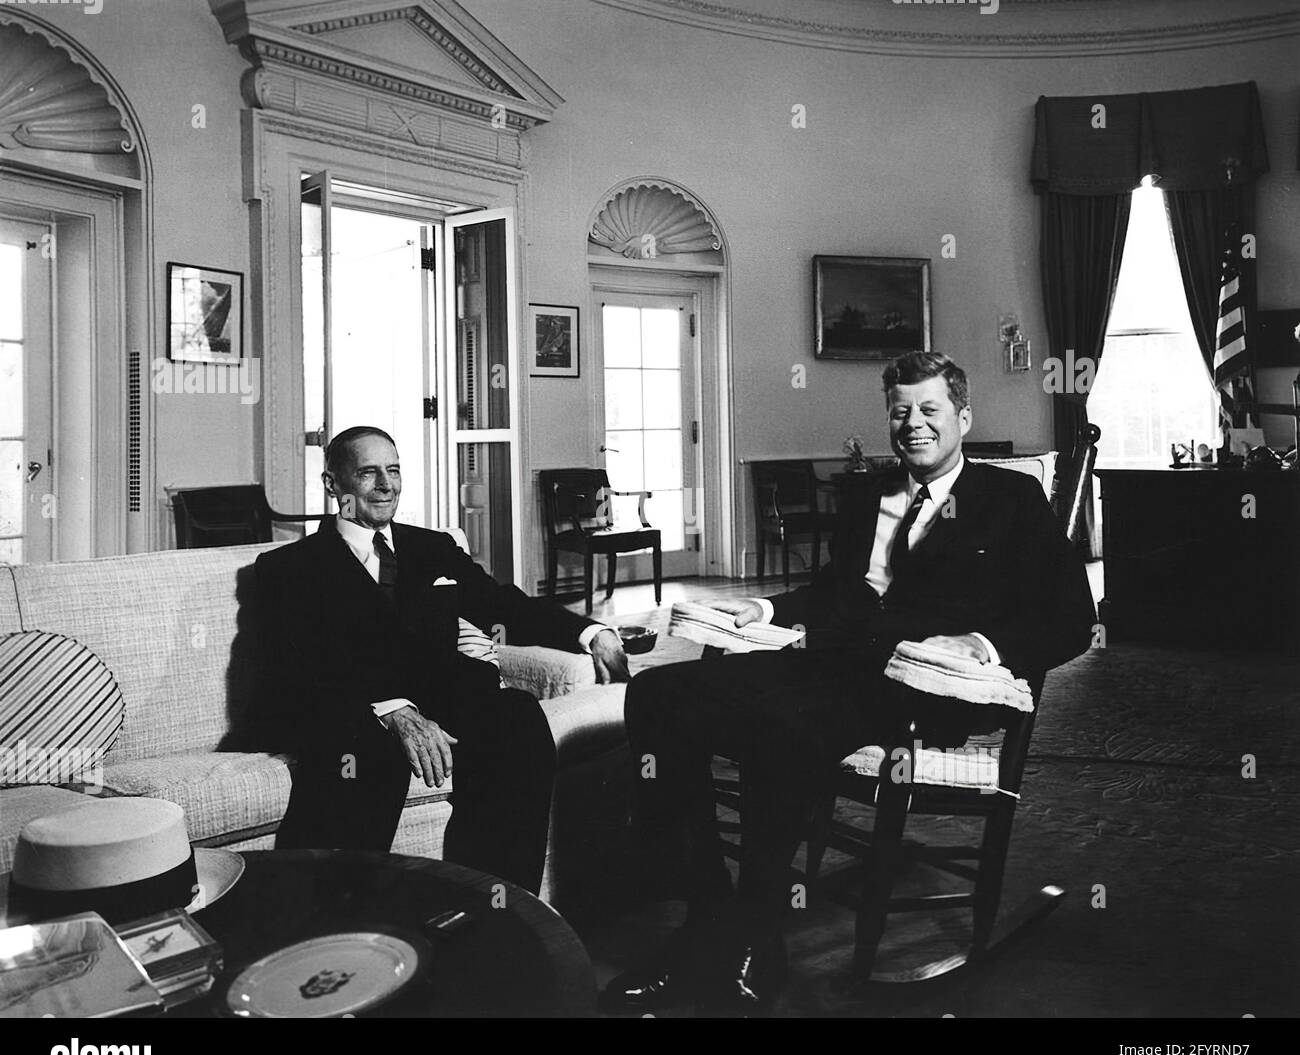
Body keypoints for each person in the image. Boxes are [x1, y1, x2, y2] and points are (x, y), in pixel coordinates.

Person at [605, 350, 1096, 1013]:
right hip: (836, 667)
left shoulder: (1011, 499)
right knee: (659, 694)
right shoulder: (870, 494)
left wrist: (979, 644)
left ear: (963, 417)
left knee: (779, 724)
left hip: (927, 688)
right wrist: (766, 609)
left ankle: (752, 936)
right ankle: (711, 914)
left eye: (929, 410)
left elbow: (1069, 619)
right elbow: (836, 595)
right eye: (901, 411)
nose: (913, 424)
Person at [249, 426, 629, 895]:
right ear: (333, 485)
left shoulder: (432, 548)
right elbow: (294, 669)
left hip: (439, 695)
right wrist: (393, 710)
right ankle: (345, 916)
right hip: (349, 707)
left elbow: (502, 605)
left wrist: (590, 633)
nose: (386, 485)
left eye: (393, 470)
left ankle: (496, 904)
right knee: (365, 751)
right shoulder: (288, 569)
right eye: (368, 473)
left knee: (515, 716)